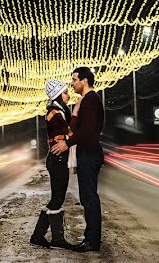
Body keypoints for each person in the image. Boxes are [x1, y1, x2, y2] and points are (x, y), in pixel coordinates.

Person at [50, 66, 104, 253]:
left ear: (84, 81)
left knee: (89, 198)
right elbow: (77, 129)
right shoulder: (86, 100)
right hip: (87, 153)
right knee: (87, 197)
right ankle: (90, 238)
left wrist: (68, 143)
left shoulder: (90, 99)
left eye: (74, 80)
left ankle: (92, 241)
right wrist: (75, 114)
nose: (72, 84)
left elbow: (87, 130)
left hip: (89, 153)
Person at [30, 79, 76, 250]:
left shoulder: (59, 110)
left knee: (57, 197)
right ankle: (56, 239)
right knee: (58, 198)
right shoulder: (55, 112)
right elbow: (69, 132)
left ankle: (38, 236)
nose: (68, 95)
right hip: (57, 160)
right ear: (57, 95)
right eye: (65, 93)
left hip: (58, 159)